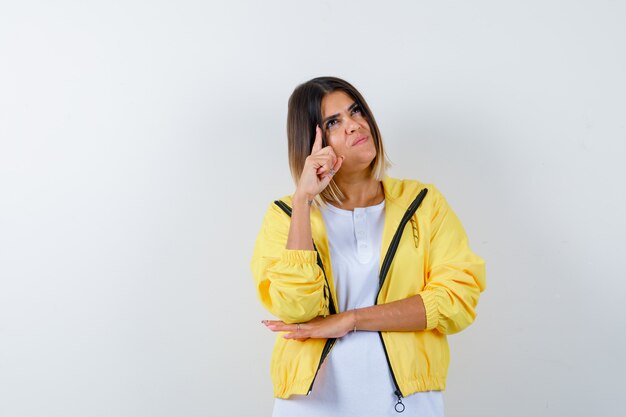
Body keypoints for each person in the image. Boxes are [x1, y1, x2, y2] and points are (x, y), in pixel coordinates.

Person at [250, 76, 486, 416]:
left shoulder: (423, 204)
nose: (353, 125)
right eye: (333, 122)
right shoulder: (286, 215)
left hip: (406, 402)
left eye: (355, 111)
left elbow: (457, 300)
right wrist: (303, 199)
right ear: (311, 142)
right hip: (313, 405)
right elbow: (297, 309)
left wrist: (351, 319)